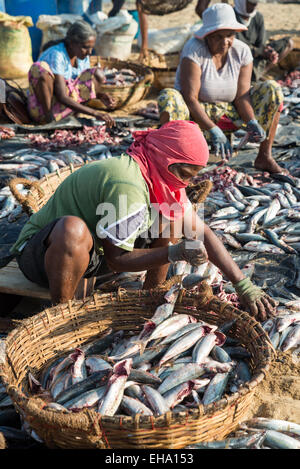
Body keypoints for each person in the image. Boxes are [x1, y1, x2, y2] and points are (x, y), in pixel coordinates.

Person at [11, 120, 276, 321]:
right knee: (73, 229)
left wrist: (243, 284)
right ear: (166, 157)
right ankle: (62, 316)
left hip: (94, 254)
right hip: (45, 259)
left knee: (172, 220)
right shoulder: (127, 182)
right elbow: (118, 260)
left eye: (191, 175)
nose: (185, 182)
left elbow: (201, 231)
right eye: (184, 172)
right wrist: (174, 252)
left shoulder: (159, 174)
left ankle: (148, 303)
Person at [158, 3, 287, 175]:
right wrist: (213, 129)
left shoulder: (242, 51)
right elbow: (190, 98)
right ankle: (173, 160)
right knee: (168, 96)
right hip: (195, 115)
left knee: (272, 88)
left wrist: (251, 122)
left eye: (230, 36)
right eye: (218, 37)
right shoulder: (194, 50)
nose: (225, 42)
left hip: (229, 112)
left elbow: (242, 96)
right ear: (207, 36)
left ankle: (264, 156)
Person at [27, 20, 115, 126]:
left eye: (91, 48)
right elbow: (62, 96)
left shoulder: (82, 57)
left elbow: (80, 86)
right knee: (40, 69)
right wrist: (94, 113)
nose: (90, 52)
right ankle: (49, 120)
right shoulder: (57, 55)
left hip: (65, 107)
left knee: (96, 74)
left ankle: (73, 115)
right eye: (86, 47)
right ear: (72, 43)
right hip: (44, 109)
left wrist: (100, 96)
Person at [233, 0, 294, 81]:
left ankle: (261, 72)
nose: (254, 6)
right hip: (239, 57)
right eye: (251, 3)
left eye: (255, 3)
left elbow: (261, 43)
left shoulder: (258, 16)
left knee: (289, 43)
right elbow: (234, 47)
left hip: (257, 55)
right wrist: (257, 51)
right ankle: (254, 75)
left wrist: (269, 52)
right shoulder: (231, 17)